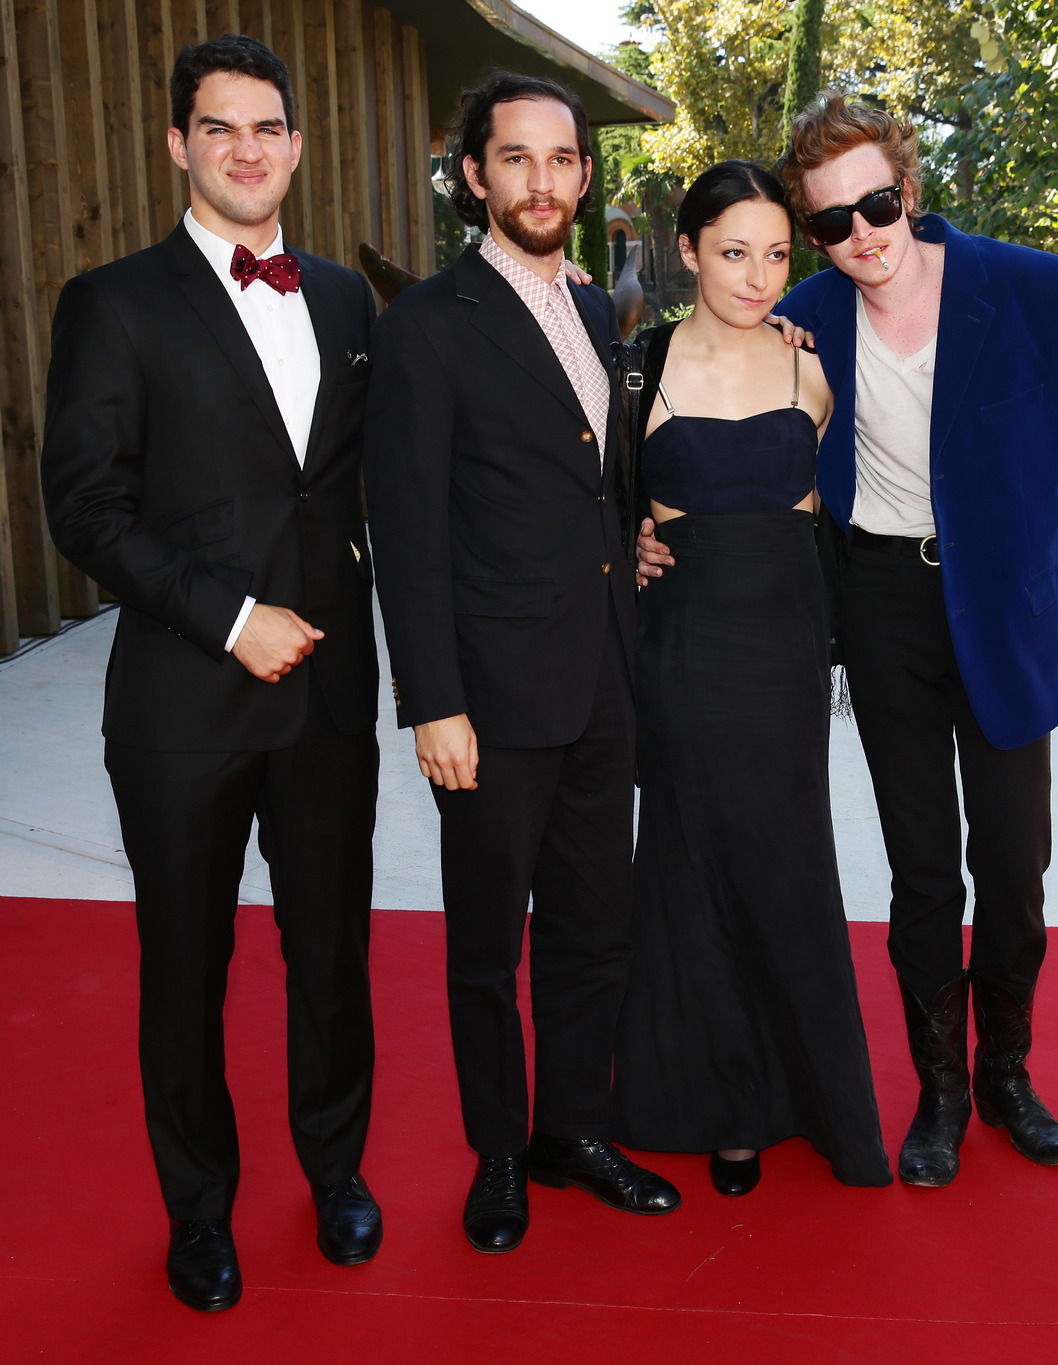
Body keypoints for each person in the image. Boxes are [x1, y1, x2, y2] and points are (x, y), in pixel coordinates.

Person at [640, 93, 1058, 1188]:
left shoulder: (1029, 288)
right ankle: (937, 1091)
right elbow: (690, 400)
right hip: (879, 607)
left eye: (875, 206)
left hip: (1003, 610)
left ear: (907, 186)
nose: (861, 237)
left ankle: (1008, 1079)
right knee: (922, 870)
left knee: (1012, 864)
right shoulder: (802, 315)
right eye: (832, 223)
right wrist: (642, 532)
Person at [42, 36, 384, 1311]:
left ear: (295, 145)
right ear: (180, 145)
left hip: (328, 700)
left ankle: (335, 1171)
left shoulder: (347, 299)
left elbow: (380, 476)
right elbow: (83, 509)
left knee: (331, 956)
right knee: (184, 971)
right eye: (219, 127)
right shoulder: (113, 301)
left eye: (267, 127)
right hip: (184, 699)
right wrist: (229, 614)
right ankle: (199, 1213)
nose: (247, 148)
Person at [364, 71, 682, 1256]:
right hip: (489, 699)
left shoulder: (599, 315)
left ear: (582, 177)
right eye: (516, 160)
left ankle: (573, 1132)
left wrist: (627, 541)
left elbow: (585, 479)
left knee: (596, 925)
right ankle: (497, 1153)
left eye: (562, 161)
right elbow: (407, 528)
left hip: (606, 679)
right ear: (472, 175)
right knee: (487, 943)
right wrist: (431, 701)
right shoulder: (428, 326)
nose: (542, 182)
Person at [608, 162, 890, 1196]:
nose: (757, 275)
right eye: (733, 251)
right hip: (678, 653)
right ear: (687, 252)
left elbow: (841, 507)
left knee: (785, 867)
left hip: (782, 657)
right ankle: (720, 1106)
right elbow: (589, 506)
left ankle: (809, 1098)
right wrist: (624, 542)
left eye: (776, 254)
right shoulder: (632, 370)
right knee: (689, 869)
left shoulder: (810, 368)